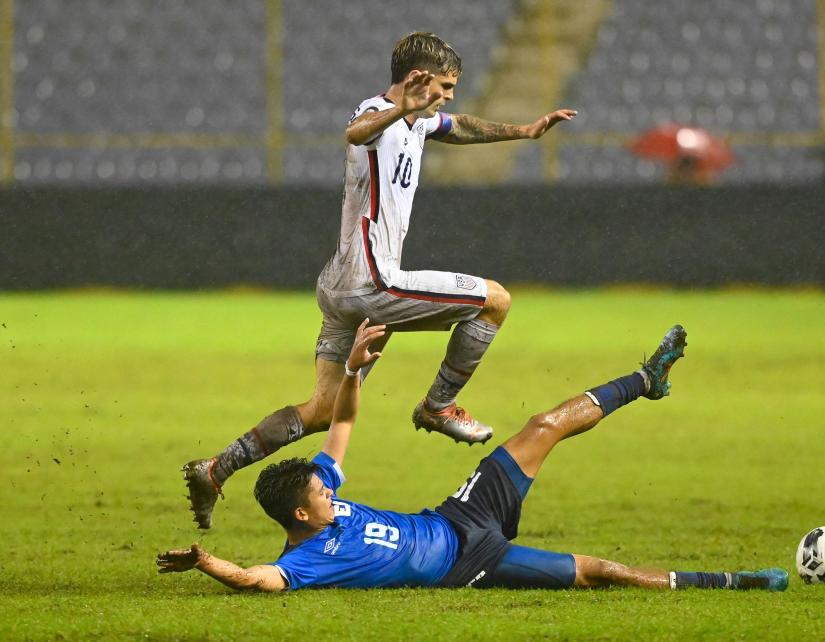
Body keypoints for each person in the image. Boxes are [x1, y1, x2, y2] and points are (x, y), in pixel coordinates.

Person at [180, 32, 578, 529]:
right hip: (376, 283)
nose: (449, 95)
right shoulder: (376, 114)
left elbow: (457, 126)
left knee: (324, 410)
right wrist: (400, 110)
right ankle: (439, 406)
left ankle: (215, 469)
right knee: (495, 301)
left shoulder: (419, 118)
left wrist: (523, 130)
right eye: (445, 85)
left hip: (339, 288)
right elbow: (356, 133)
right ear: (416, 79)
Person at [159, 320, 789, 592]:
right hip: (472, 560)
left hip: (457, 515)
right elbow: (254, 580)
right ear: (300, 518)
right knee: (601, 571)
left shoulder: (314, 492)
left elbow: (342, 425)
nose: (330, 492)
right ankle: (735, 582)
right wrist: (207, 561)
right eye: (322, 496)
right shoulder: (308, 562)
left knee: (543, 425)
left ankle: (645, 380)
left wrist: (353, 371)